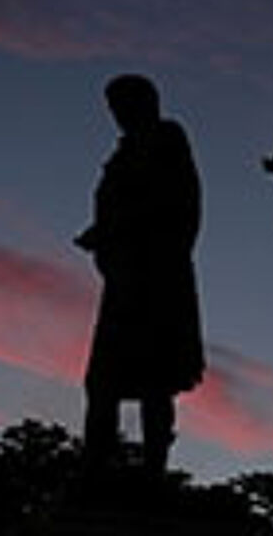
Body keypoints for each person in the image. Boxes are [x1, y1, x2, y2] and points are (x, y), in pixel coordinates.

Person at [75, 74, 204, 477]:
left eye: (122, 106)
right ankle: (98, 467)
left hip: (156, 280)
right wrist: (104, 235)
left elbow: (174, 203)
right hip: (125, 278)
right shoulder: (125, 151)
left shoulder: (165, 140)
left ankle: (152, 472)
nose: (117, 115)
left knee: (154, 380)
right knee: (103, 383)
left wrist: (115, 229)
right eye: (113, 108)